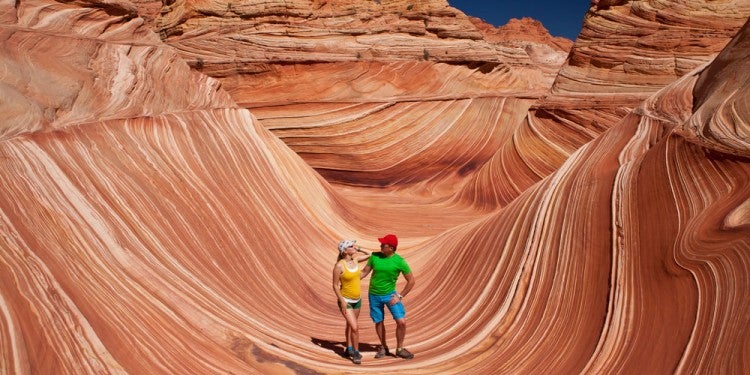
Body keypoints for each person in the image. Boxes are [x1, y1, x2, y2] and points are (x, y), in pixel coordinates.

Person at [360, 234, 416, 360]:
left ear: (391, 247)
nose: (380, 245)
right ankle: (383, 347)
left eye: (383, 244)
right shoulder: (374, 256)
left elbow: (411, 281)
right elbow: (364, 272)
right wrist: (349, 280)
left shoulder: (400, 261)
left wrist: (400, 296)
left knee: (401, 322)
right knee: (379, 321)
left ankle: (400, 349)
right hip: (374, 295)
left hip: (390, 295)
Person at [332, 239, 371, 364]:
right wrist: (342, 301)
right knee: (355, 327)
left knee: (350, 325)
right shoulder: (339, 265)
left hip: (357, 300)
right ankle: (356, 352)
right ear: (344, 251)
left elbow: (370, 254)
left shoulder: (355, 260)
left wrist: (358, 248)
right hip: (346, 300)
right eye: (350, 246)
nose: (353, 247)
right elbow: (335, 285)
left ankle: (348, 348)